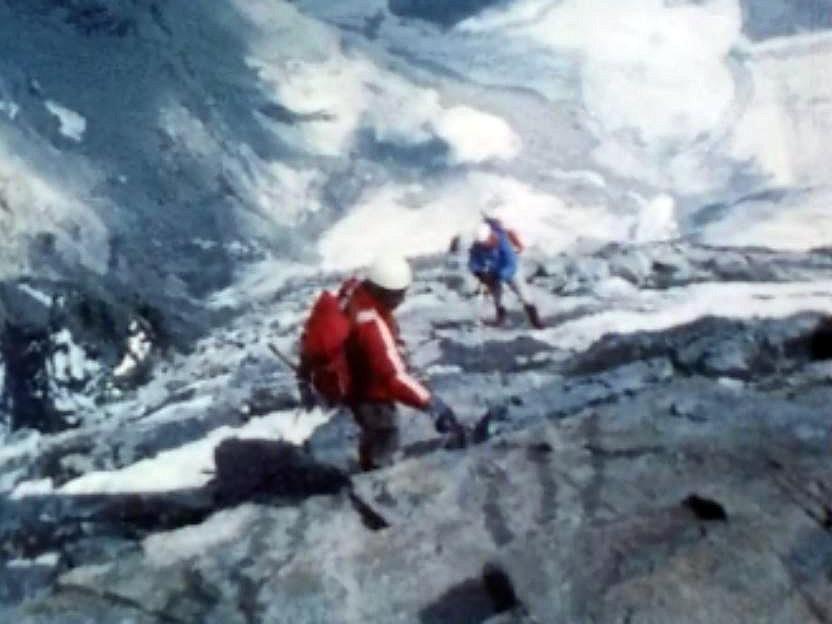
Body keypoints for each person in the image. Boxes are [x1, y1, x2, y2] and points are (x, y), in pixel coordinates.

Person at [299, 254, 464, 471]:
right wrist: (431, 404)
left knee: (371, 434)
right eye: (399, 295)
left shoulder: (354, 295)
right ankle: (376, 478)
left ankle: (368, 463)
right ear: (387, 293)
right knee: (384, 435)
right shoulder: (371, 324)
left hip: (353, 382)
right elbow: (393, 377)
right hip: (371, 393)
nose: (401, 300)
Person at [468, 216, 544, 329]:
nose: (484, 245)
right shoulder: (477, 246)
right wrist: (479, 273)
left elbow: (511, 264)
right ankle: (501, 319)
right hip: (493, 272)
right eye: (481, 244)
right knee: (497, 297)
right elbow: (474, 262)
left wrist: (500, 276)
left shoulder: (503, 242)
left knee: (524, 295)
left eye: (485, 242)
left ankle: (536, 322)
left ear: (490, 236)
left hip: (510, 271)